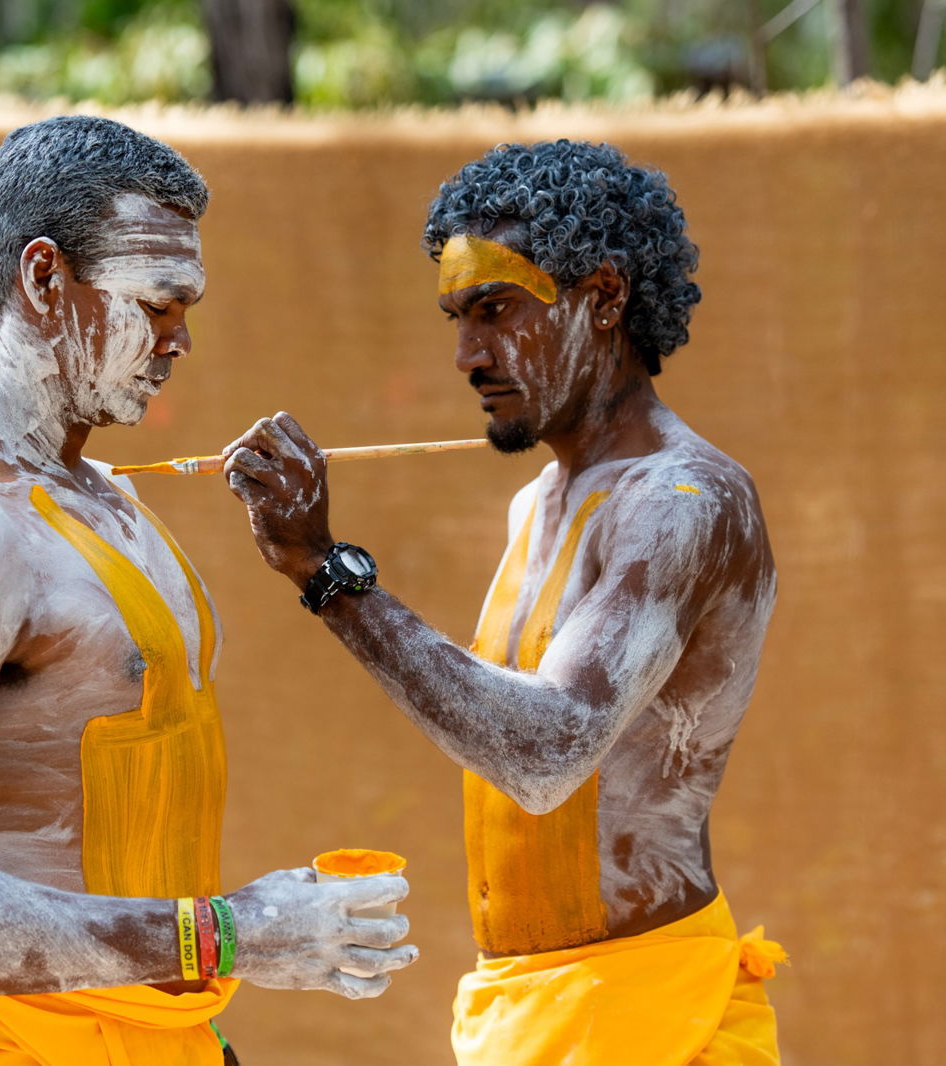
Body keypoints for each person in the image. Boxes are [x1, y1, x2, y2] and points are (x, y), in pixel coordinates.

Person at [0, 115, 416, 1066]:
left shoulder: (100, 498)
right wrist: (235, 935)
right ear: (45, 280)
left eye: (190, 308)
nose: (181, 341)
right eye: (159, 304)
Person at [221, 140, 786, 1064]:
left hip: (651, 1007)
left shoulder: (685, 504)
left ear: (603, 300)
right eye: (455, 318)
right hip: (522, 1011)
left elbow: (547, 752)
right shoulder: (541, 502)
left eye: (495, 311)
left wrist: (327, 573)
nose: (465, 356)